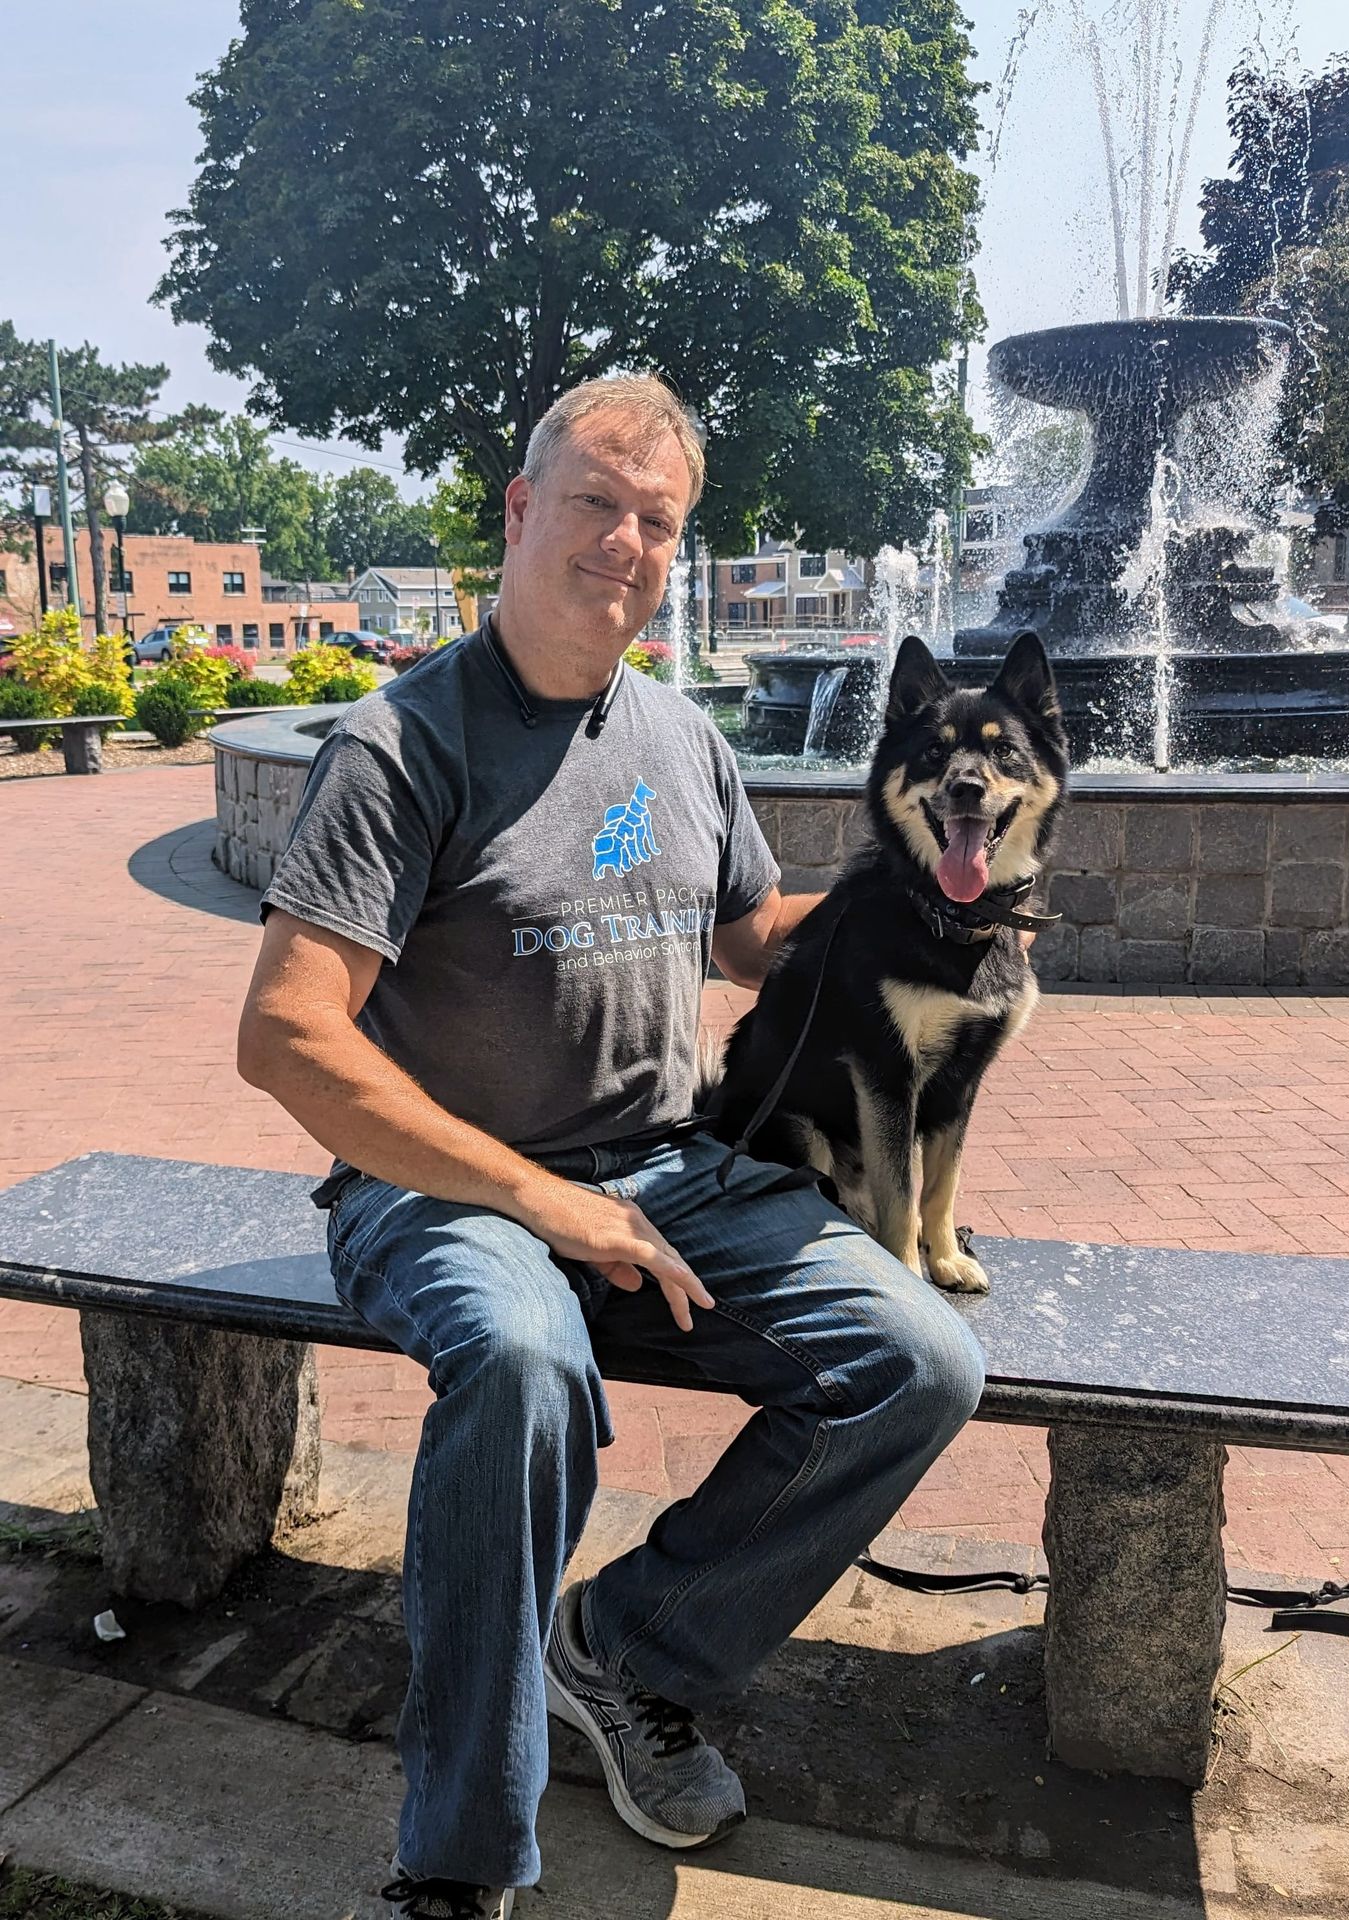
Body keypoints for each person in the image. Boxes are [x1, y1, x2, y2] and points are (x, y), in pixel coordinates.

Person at [236, 374, 987, 1919]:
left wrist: (904, 894)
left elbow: (737, 941)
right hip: (444, 1184)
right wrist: (536, 1204)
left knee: (920, 1363)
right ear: (519, 513)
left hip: (671, 1169)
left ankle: (632, 1652)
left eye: (657, 522)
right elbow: (288, 1037)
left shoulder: (682, 737)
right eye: (595, 502)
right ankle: (456, 1867)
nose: (625, 541)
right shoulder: (400, 748)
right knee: (521, 1370)